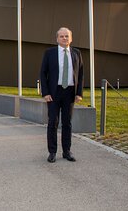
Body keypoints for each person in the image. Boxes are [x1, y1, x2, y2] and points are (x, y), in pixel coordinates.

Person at [40, 27, 84, 163]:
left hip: (70, 92)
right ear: (57, 39)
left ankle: (67, 151)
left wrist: (79, 93)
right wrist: (45, 92)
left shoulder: (76, 53)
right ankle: (52, 152)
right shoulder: (50, 53)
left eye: (67, 36)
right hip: (54, 92)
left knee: (67, 123)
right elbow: (43, 73)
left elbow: (81, 74)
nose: (64, 38)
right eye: (61, 36)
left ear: (71, 38)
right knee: (53, 121)